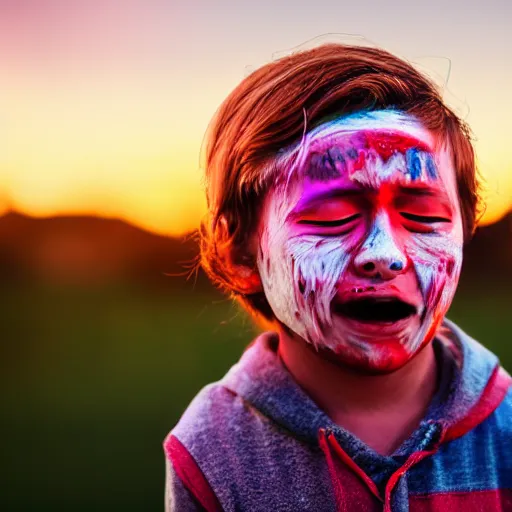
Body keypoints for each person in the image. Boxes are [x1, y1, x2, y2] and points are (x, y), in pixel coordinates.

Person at [163, 43, 512, 511]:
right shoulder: (212, 450)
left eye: (423, 215)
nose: (384, 255)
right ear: (241, 253)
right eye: (330, 216)